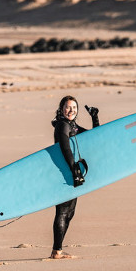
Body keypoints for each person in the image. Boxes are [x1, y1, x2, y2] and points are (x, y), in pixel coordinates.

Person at [50, 95, 100, 259]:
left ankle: (58, 250)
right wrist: (74, 170)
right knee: (63, 212)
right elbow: (65, 149)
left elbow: (94, 138)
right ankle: (57, 251)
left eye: (74, 108)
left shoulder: (73, 125)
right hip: (65, 173)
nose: (71, 110)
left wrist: (95, 118)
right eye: (68, 107)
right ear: (61, 109)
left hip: (71, 173)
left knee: (69, 212)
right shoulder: (62, 126)